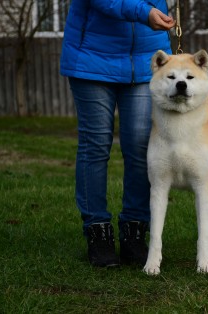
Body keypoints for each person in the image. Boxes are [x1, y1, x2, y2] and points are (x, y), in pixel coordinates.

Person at [60, 0, 175, 267]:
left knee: (139, 145)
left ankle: (134, 232)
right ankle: (97, 231)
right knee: (96, 145)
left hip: (147, 57)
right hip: (93, 56)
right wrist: (143, 12)